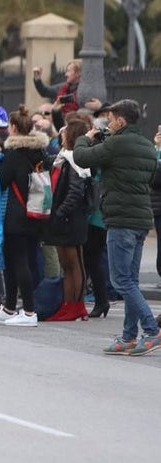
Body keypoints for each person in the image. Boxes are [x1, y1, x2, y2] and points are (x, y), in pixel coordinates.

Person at [72, 99, 161, 355]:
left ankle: (151, 330)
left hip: (121, 219)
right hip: (141, 219)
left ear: (121, 121)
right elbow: (149, 177)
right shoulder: (147, 146)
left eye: (111, 120)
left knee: (121, 280)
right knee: (130, 280)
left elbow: (81, 158)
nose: (108, 124)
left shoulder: (115, 144)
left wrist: (86, 138)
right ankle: (128, 336)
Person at [0, 107, 48, 327]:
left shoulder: (15, 155)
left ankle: (29, 311)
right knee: (17, 260)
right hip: (35, 212)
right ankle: (10, 307)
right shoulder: (39, 152)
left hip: (16, 215)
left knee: (19, 262)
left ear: (13, 127)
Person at [43, 116, 92, 322]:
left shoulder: (75, 161)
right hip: (61, 217)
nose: (61, 136)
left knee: (74, 263)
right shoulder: (62, 158)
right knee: (65, 264)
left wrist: (60, 213)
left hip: (70, 219)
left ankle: (77, 306)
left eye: (64, 133)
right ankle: (67, 304)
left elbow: (75, 192)